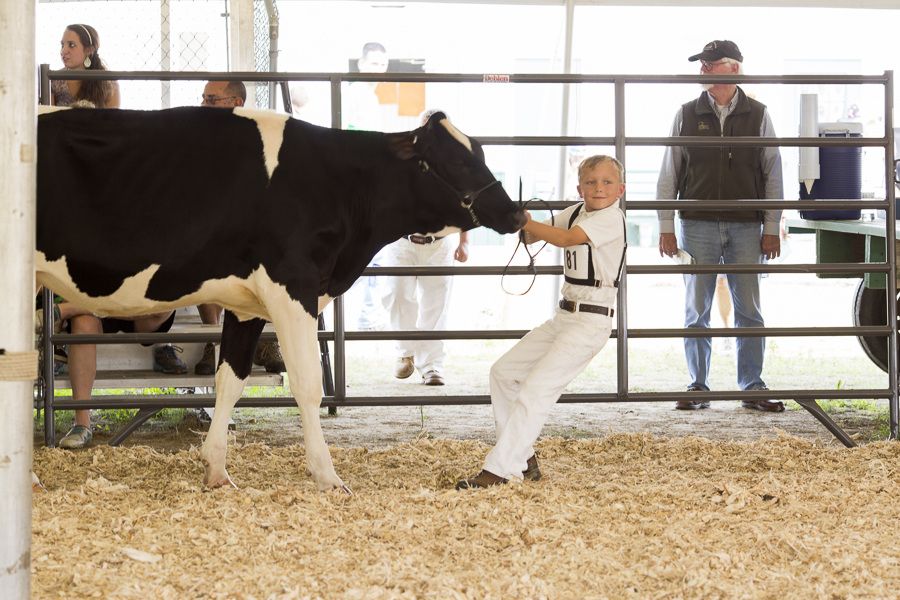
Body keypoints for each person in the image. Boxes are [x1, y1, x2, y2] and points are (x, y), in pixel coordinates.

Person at [457, 155, 626, 489]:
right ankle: (523, 459)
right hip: (564, 318)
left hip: (590, 322)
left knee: (536, 389)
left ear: (620, 190)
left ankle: (501, 470)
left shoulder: (612, 218)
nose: (599, 189)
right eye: (591, 182)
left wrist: (525, 222)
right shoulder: (576, 211)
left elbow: (564, 239)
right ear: (579, 187)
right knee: (503, 373)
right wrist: (517, 221)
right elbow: (533, 235)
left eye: (607, 182)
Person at [656, 40, 784, 412]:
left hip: (747, 226)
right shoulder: (685, 113)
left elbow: (773, 172)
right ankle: (698, 385)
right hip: (696, 224)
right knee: (696, 309)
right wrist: (666, 224)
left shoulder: (759, 114)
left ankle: (752, 386)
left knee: (750, 310)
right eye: (702, 65)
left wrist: (771, 226)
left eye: (709, 64)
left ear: (733, 68)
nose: (702, 70)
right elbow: (669, 172)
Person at [195, 80, 286, 374]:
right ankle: (215, 341)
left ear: (236, 103)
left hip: (252, 230)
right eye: (203, 98)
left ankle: (263, 341)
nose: (203, 105)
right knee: (204, 254)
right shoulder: (198, 137)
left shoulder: (262, 135)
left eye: (211, 99)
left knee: (270, 255)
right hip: (212, 228)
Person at [381, 110, 469, 386]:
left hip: (439, 244)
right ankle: (405, 354)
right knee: (398, 295)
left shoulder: (456, 162)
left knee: (436, 304)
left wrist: (464, 242)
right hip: (402, 240)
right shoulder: (403, 157)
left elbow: (466, 201)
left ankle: (431, 364)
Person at [36, 302, 184, 449]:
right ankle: (82, 424)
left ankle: (66, 310)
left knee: (165, 305)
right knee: (83, 323)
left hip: (138, 307)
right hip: (99, 303)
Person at [345, 42, 391, 330]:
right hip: (359, 185)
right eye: (374, 63)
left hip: (363, 183)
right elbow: (352, 138)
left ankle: (367, 316)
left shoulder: (367, 96)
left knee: (372, 251)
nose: (379, 69)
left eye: (383, 65)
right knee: (373, 251)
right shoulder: (357, 96)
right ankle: (368, 317)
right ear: (360, 64)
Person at [52, 24, 120, 108]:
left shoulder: (109, 83)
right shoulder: (54, 80)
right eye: (62, 45)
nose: (63, 51)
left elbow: (112, 116)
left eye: (71, 45)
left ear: (89, 50)